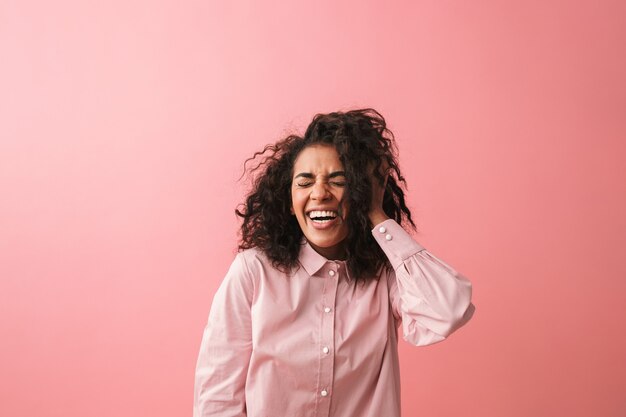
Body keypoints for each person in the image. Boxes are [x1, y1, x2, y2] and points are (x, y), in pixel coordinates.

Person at [193, 108, 475, 417]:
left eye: (338, 181)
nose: (320, 193)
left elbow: (448, 311)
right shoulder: (253, 272)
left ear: (359, 194)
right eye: (305, 182)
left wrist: (376, 214)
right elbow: (218, 398)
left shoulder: (387, 276)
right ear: (288, 201)